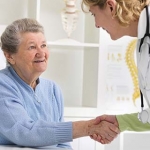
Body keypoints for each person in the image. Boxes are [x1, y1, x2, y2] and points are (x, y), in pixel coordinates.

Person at [0, 18, 120, 148]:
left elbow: (63, 145)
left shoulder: (52, 89)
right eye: (32, 47)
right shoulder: (3, 84)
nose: (41, 53)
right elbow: (25, 132)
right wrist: (88, 127)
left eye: (44, 45)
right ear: (10, 56)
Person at [81, 0, 150, 144]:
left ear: (111, 7)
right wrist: (121, 122)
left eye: (94, 14)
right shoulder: (143, 40)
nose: (96, 25)